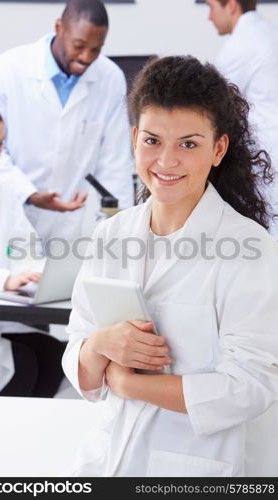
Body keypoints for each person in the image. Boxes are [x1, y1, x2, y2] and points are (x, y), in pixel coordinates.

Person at [62, 56, 278, 477]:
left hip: (203, 466)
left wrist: (128, 383)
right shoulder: (112, 235)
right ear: (133, 139)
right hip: (110, 458)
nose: (166, 160)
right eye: (152, 140)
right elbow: (78, 351)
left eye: (189, 144)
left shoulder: (250, 250)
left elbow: (252, 386)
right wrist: (101, 345)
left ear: (218, 149)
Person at [0, 0, 134, 243]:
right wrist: (29, 194)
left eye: (96, 49)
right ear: (59, 27)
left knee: (61, 280)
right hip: (11, 213)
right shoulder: (5, 72)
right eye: (79, 46)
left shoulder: (110, 78)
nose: (86, 57)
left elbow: (115, 163)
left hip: (68, 226)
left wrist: (119, 232)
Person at [0, 100, 66, 397]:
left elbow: (25, 247)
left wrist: (36, 275)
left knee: (53, 357)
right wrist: (4, 280)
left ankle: (28, 440)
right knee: (22, 366)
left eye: (0, 145)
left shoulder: (1, 190)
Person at [206, 0, 278, 236]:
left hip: (266, 160)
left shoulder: (242, 43)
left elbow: (214, 100)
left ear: (232, 6)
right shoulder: (268, 32)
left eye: (212, 7)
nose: (209, 16)